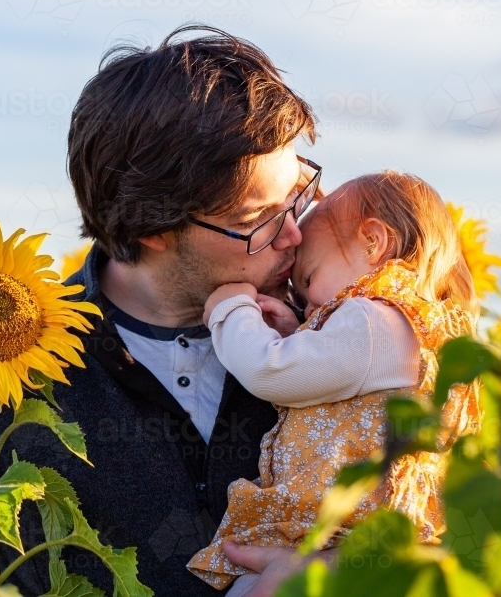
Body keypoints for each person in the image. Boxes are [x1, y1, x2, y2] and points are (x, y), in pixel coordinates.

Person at [0, 24, 330, 596]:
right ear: (152, 226)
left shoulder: (339, 332)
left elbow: (487, 539)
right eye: (258, 219)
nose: (293, 237)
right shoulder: (0, 389)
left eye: (297, 193)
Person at [186, 171, 482, 594]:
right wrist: (297, 335)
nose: (307, 304)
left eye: (307, 280)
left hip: (336, 536)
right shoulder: (402, 327)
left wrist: (230, 308)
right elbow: (335, 383)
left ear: (372, 242)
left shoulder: (373, 320)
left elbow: (270, 371)